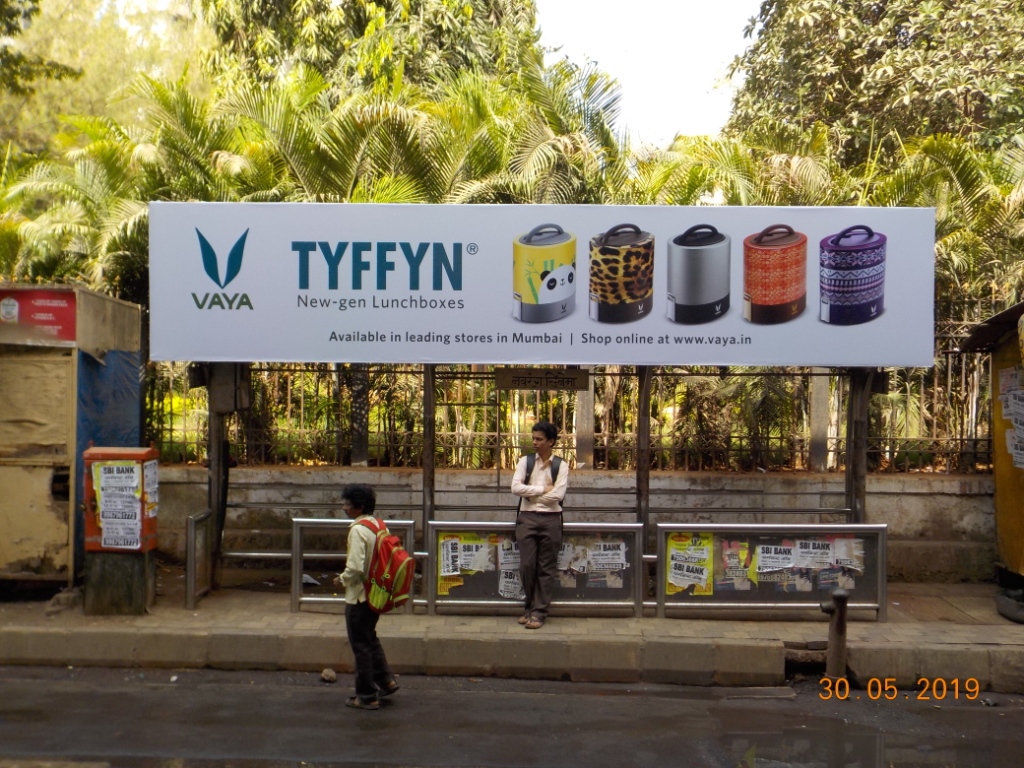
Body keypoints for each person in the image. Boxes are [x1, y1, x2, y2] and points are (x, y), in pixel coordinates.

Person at [334, 483, 399, 710]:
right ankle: (386, 680)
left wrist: (342, 579)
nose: (344, 508)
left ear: (359, 507)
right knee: (370, 638)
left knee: (360, 644)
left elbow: (355, 567)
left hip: (359, 596)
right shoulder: (379, 525)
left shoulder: (357, 530)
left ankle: (366, 695)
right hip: (376, 593)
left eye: (347, 504)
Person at [511, 421, 569, 630]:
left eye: (539, 439)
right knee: (527, 565)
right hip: (527, 518)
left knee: (546, 567)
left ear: (550, 442)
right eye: (533, 438)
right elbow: (515, 488)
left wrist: (532, 496)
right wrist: (542, 489)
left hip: (551, 519)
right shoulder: (525, 462)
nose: (534, 442)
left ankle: (539, 612)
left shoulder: (560, 465)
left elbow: (558, 495)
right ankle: (529, 607)